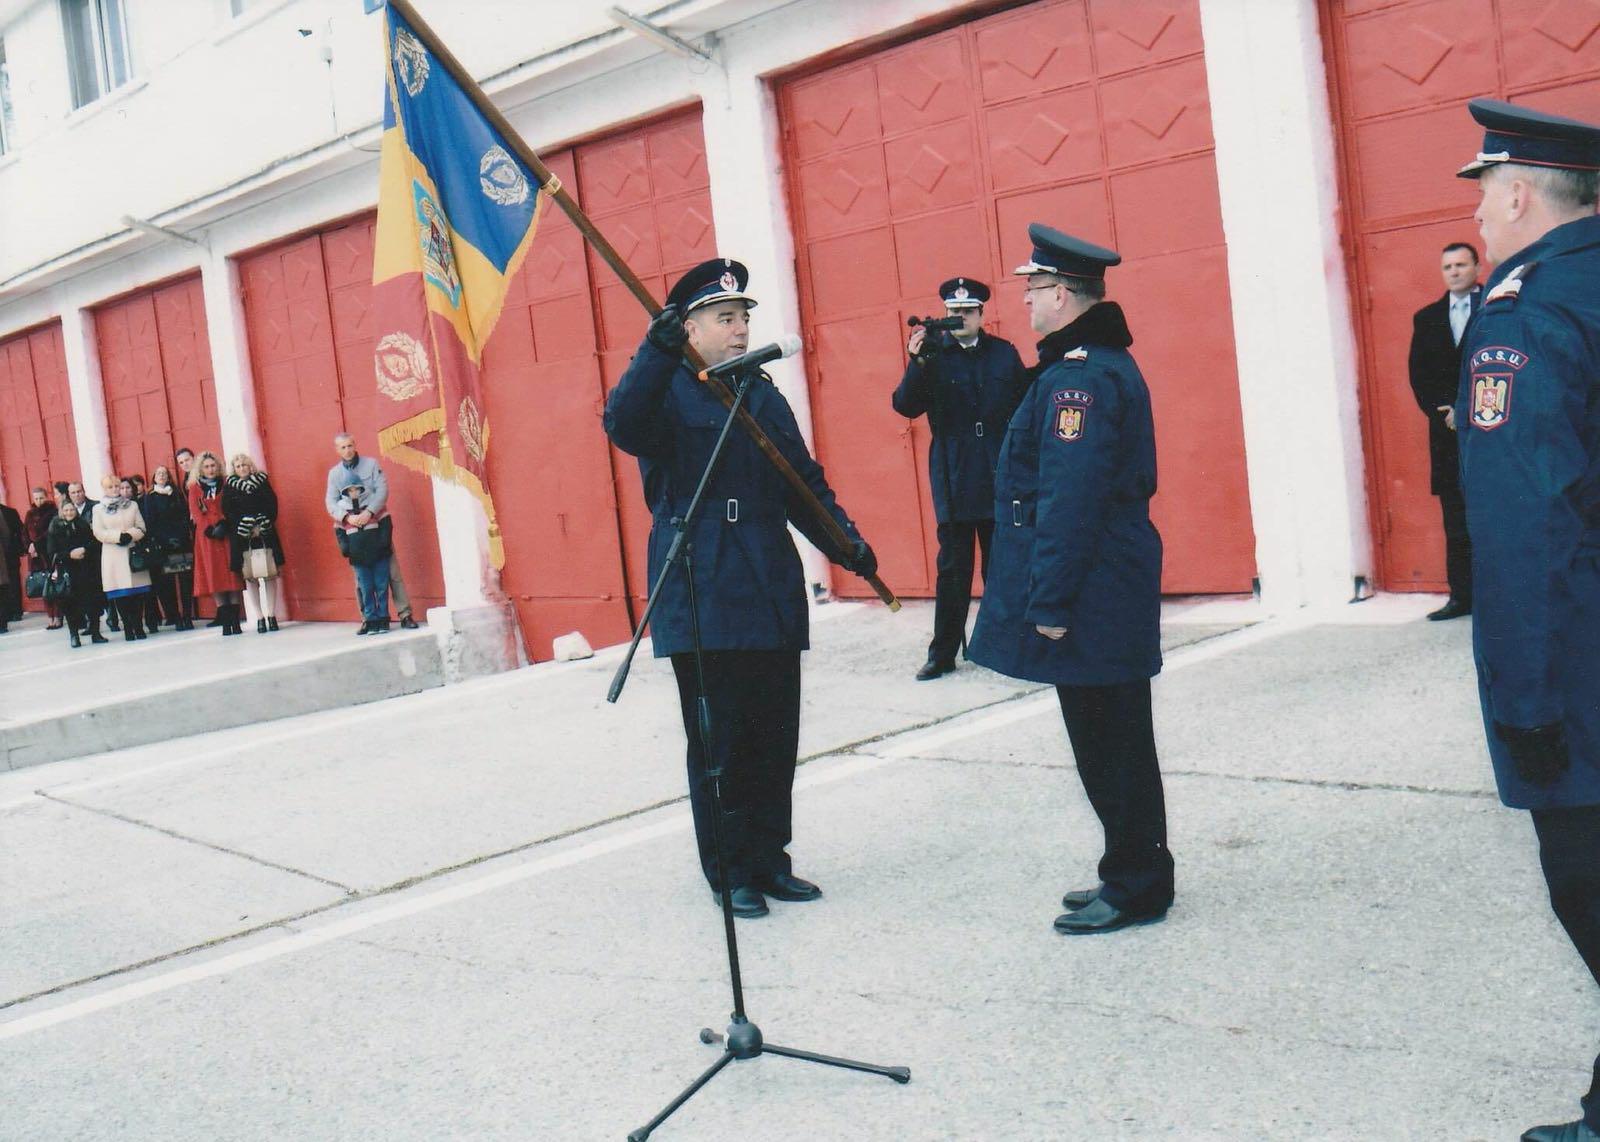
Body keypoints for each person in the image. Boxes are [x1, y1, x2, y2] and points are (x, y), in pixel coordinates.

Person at [603, 257, 877, 920]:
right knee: (719, 741)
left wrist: (845, 542)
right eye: (724, 318)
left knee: (772, 733)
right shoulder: (665, 387)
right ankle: (729, 873)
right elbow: (623, 424)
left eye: (743, 317)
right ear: (689, 328)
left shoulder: (758, 391)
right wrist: (652, 352)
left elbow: (799, 481)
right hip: (701, 580)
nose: (738, 329)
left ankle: (770, 859)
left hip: (766, 576)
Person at [1450, 98, 1600, 1142]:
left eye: (1482, 195)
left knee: (1586, 882)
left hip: (1580, 654)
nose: (1483, 219)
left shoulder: (1524, 313)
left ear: (1512, 193)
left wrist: (1527, 697)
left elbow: (1522, 523)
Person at [969, 224, 1173, 936]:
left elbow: (1070, 496)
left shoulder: (1081, 379)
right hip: (1102, 578)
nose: (1025, 304)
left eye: (1032, 291)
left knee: (1111, 739)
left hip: (1092, 588)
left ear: (1061, 294)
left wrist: (1048, 601)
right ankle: (1130, 869)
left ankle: (1139, 885)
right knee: (1106, 735)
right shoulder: (1086, 366)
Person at [893, 277, 1029, 680]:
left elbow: (1025, 403)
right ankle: (943, 653)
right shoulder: (933, 356)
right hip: (955, 478)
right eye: (954, 313)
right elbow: (905, 405)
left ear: (982, 314)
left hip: (998, 474)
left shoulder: (1003, 354)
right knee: (953, 569)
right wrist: (917, 363)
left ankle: (1004, 644)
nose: (961, 318)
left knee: (1001, 565)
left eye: (968, 311)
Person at [1408, 242, 1482, 620]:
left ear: (1476, 266)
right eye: (1447, 266)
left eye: (1461, 264)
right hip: (1447, 436)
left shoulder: (1496, 307)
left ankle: (1504, 599)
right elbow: (1419, 377)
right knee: (1456, 521)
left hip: (1491, 433)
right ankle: (1462, 598)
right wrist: (1446, 413)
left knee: (1496, 516)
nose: (1454, 272)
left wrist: (1469, 409)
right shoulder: (1427, 318)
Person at [324, 434, 419, 629]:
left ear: (355, 444)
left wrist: (369, 512)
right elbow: (330, 502)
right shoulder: (334, 474)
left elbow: (382, 490)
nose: (347, 450)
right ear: (337, 450)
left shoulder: (371, 464)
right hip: (354, 532)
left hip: (376, 526)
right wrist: (346, 517)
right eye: (342, 447)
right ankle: (368, 619)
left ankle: (405, 614)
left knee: (392, 572)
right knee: (362, 579)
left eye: (350, 445)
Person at [223, 453, 284, 634]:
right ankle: (259, 617)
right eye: (238, 466)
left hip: (265, 533)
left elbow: (272, 504)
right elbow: (227, 511)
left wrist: (263, 522)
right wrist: (246, 526)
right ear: (234, 469)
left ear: (250, 466)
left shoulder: (262, 482)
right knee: (250, 577)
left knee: (270, 574)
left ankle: (271, 615)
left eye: (245, 465)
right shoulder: (230, 488)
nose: (242, 468)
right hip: (243, 536)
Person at [187, 450, 245, 636]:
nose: (210, 470)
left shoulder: (227, 483)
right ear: (200, 469)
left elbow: (232, 506)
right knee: (215, 577)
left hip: (227, 534)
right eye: (206, 467)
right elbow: (195, 512)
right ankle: (226, 622)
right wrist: (209, 529)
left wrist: (225, 523)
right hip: (207, 538)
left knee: (231, 576)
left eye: (213, 466)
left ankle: (236, 622)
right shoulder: (195, 488)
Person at [91, 476, 152, 641]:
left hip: (132, 552)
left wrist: (130, 535)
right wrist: (117, 536)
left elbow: (141, 527)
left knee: (137, 593)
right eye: (110, 487)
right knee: (120, 594)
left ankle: (139, 626)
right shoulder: (98, 509)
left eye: (116, 486)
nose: (114, 489)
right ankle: (128, 628)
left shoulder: (132, 505)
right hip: (113, 554)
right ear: (104, 489)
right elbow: (98, 532)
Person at [333, 476, 392, 635]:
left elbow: (386, 524)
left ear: (362, 489)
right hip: (358, 556)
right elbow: (340, 533)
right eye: (350, 490)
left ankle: (383, 618)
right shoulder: (342, 511)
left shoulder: (374, 505)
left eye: (356, 489)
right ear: (344, 492)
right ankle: (371, 619)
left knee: (381, 586)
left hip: (378, 553)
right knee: (366, 588)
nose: (354, 493)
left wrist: (383, 544)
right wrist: (346, 550)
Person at [46, 498, 108, 647]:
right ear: (61, 511)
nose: (69, 513)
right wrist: (69, 554)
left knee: (93, 603)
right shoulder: (55, 527)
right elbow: (52, 552)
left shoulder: (83, 524)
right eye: (66, 510)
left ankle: (95, 632)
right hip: (68, 571)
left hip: (87, 570)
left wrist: (85, 550)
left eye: (72, 509)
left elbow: (94, 542)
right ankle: (74, 635)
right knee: (70, 605)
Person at [141, 465, 193, 630]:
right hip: (164, 546)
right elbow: (151, 521)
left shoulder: (176, 493)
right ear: (154, 478)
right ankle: (175, 617)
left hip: (180, 544)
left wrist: (180, 536)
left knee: (185, 582)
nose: (162, 476)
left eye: (164, 473)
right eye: (159, 474)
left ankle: (187, 616)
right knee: (168, 584)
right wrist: (166, 539)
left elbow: (185, 515)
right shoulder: (151, 496)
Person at [23, 487, 60, 629]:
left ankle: (57, 615)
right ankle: (50, 616)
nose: (39, 501)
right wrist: (29, 546)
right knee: (43, 586)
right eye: (36, 498)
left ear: (46, 497)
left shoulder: (52, 512)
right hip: (35, 556)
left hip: (48, 553)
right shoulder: (30, 514)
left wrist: (37, 545)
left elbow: (49, 532)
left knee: (53, 584)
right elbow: (24, 532)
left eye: (41, 498)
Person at [0, 497, 22, 622]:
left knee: (13, 583)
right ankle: (5, 614)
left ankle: (16, 611)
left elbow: (19, 531)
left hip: (10, 555)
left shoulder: (10, 512)